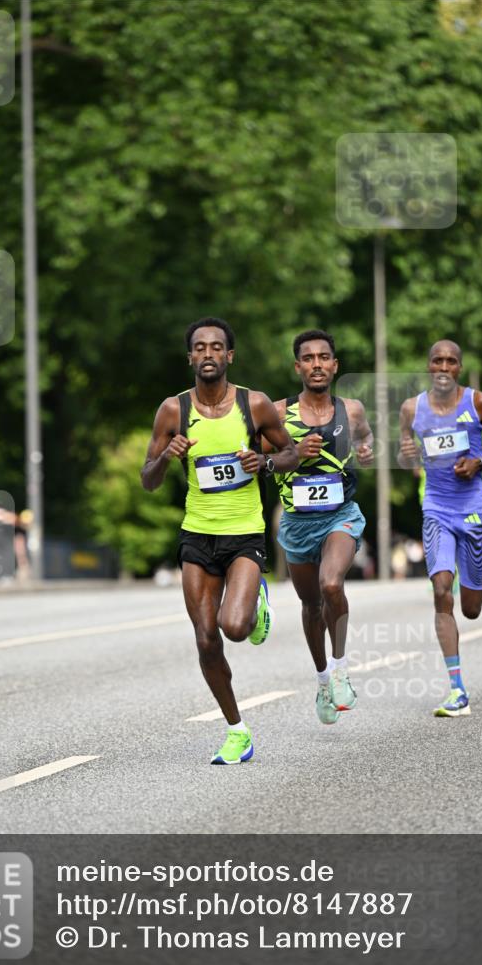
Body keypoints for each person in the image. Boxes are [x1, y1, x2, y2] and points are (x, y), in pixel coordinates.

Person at [141, 317, 298, 765]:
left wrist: (263, 463)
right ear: (189, 357)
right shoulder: (173, 410)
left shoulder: (256, 404)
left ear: (229, 356)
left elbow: (288, 454)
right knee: (207, 638)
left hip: (244, 531)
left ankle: (254, 604)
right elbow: (147, 480)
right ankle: (236, 730)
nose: (208, 354)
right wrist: (166, 458)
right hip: (197, 534)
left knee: (234, 627)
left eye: (216, 348)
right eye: (199, 348)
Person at [398, 341, 482, 716]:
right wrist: (407, 456)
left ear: (459, 368)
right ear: (428, 364)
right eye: (437, 359)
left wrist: (481, 462)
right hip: (436, 507)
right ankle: (456, 689)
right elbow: (408, 451)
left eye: (451, 361)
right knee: (440, 589)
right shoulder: (411, 408)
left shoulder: (480, 403)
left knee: (471, 609)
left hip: (472, 509)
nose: (444, 366)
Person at [267, 330, 374, 726]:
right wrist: (292, 455)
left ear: (334, 365)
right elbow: (257, 458)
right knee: (311, 605)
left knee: (332, 585)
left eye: (324, 357)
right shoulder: (277, 413)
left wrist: (366, 449)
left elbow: (365, 438)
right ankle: (323, 680)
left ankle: (342, 667)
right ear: (298, 367)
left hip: (340, 515)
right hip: (297, 522)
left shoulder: (353, 409)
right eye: (308, 358)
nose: (316, 364)